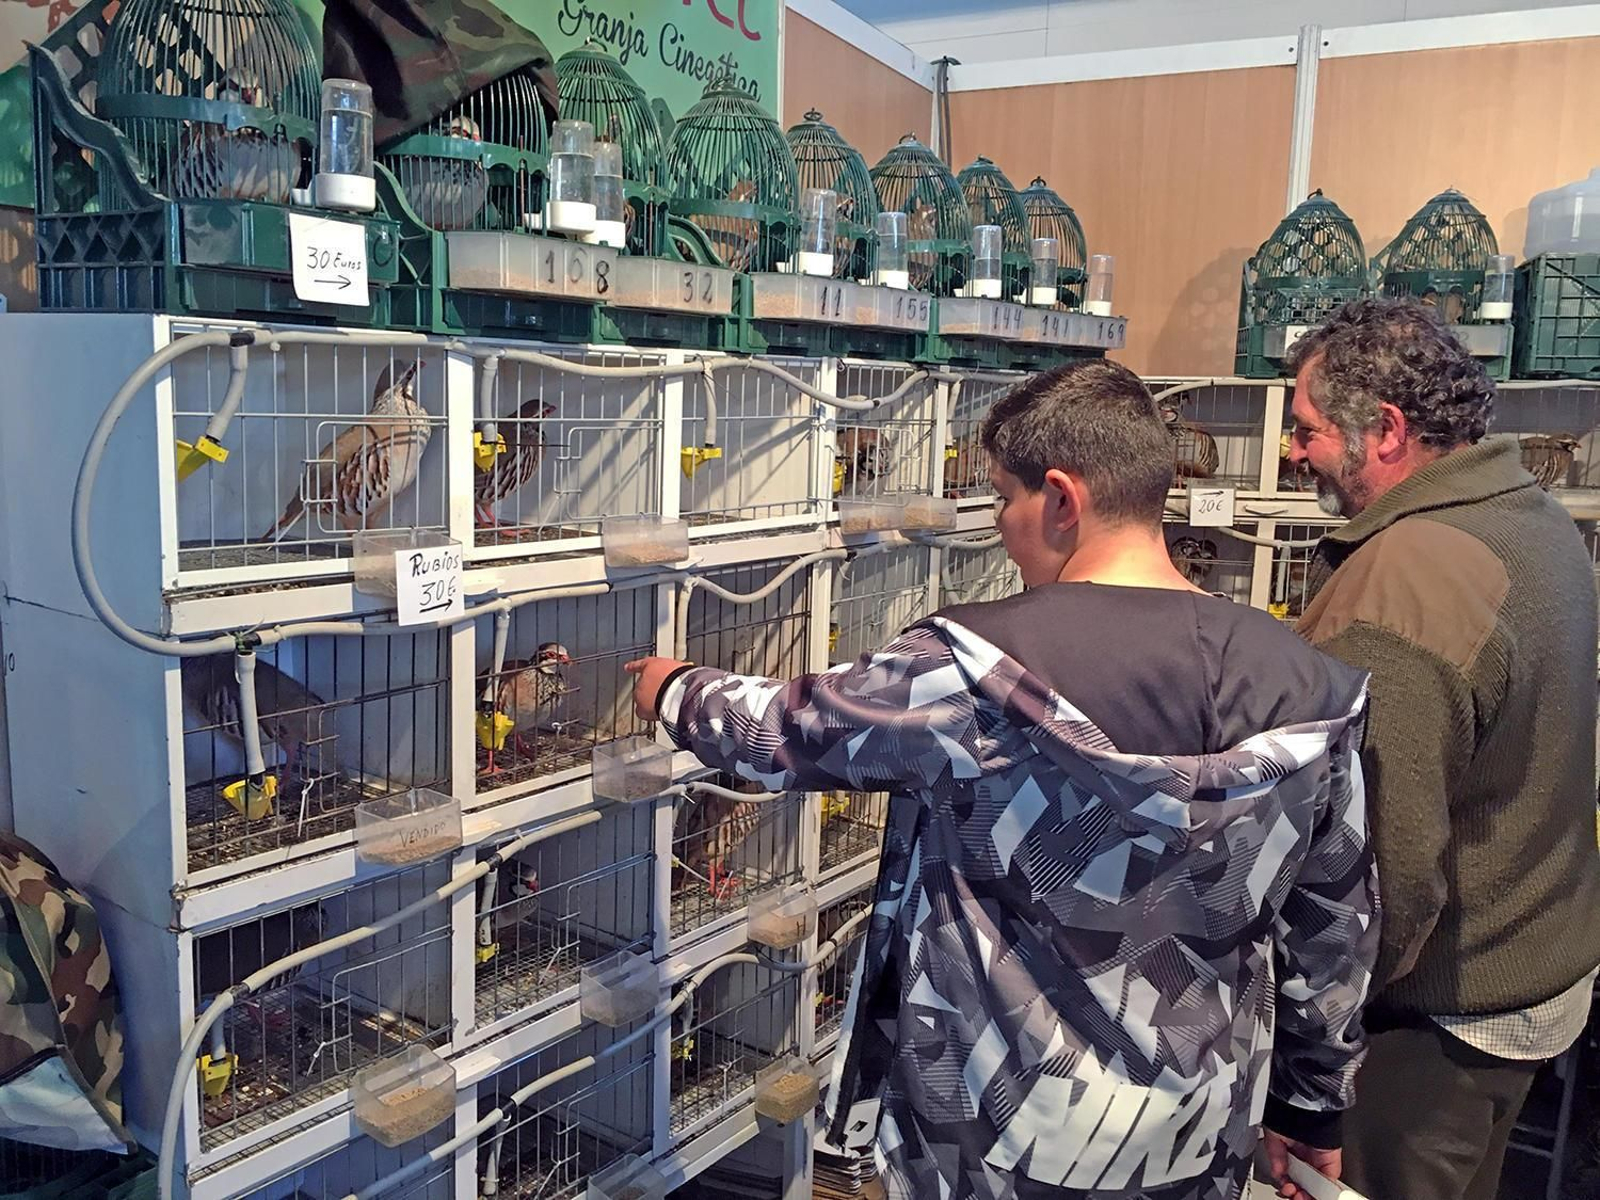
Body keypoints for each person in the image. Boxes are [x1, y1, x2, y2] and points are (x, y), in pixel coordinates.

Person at [627, 360, 1378, 1200]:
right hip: (1194, 1133)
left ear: (1061, 498)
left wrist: (672, 686)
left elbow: (782, 732)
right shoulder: (1314, 688)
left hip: (991, 1132)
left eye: (1001, 499)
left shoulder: (975, 669)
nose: (999, 523)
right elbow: (1333, 926)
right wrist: (1312, 1109)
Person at [1285, 296, 1600, 1200]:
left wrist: (1314, 1054)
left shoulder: (1408, 580)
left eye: (1307, 430)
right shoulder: (1533, 516)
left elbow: (1387, 865)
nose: (1295, 451)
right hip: (1535, 976)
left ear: (1383, 430)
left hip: (1435, 1027)